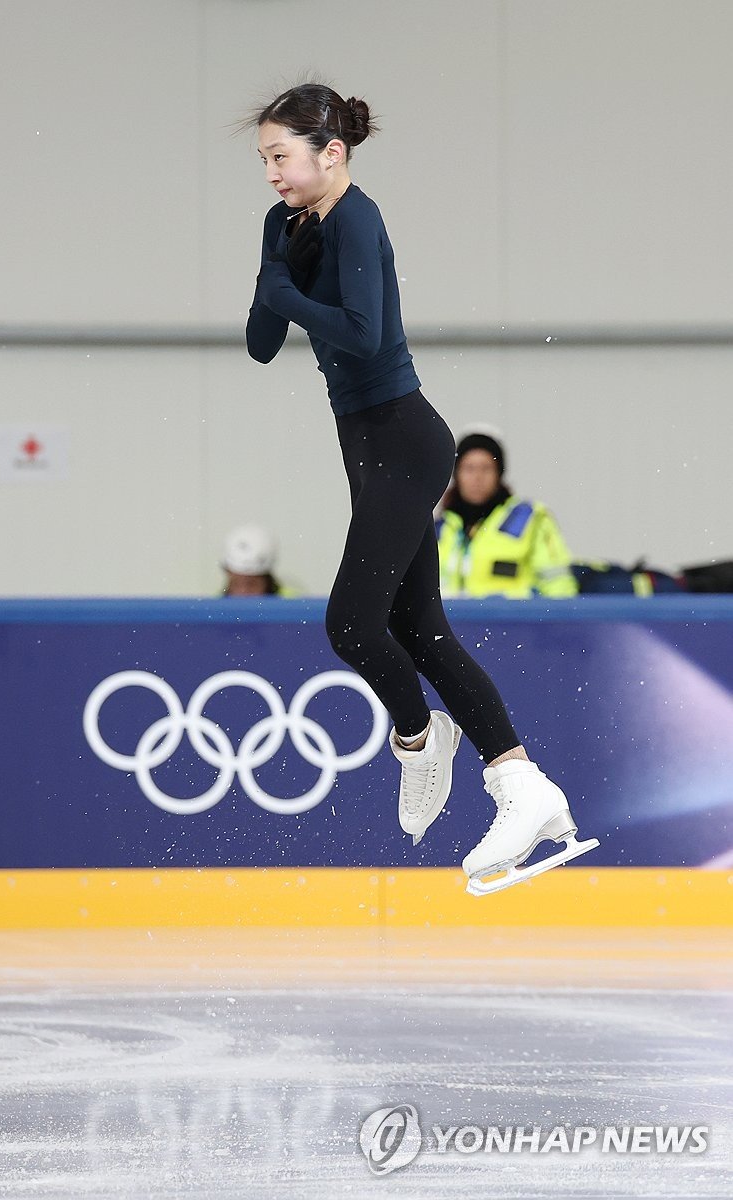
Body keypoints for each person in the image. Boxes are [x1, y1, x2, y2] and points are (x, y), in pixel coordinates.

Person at [238, 81, 597, 895]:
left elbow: (365, 336)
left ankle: (418, 738)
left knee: (351, 626)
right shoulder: (284, 223)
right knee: (422, 630)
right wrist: (275, 264)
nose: (270, 175)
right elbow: (262, 342)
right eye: (263, 160)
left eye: (280, 157)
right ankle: (522, 786)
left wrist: (289, 290)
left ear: (331, 153)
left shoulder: (359, 217)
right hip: (365, 451)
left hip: (405, 441)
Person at [436, 429, 578, 598]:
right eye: (469, 468)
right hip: (455, 623)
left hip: (512, 623)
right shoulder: (440, 529)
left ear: (499, 474)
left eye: (486, 468)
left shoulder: (530, 519)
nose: (477, 477)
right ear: (456, 475)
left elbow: (558, 586)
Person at [220, 524, 299, 597]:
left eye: (251, 584)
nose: (242, 592)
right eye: (236, 583)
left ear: (267, 581)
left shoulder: (294, 606)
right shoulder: (215, 608)